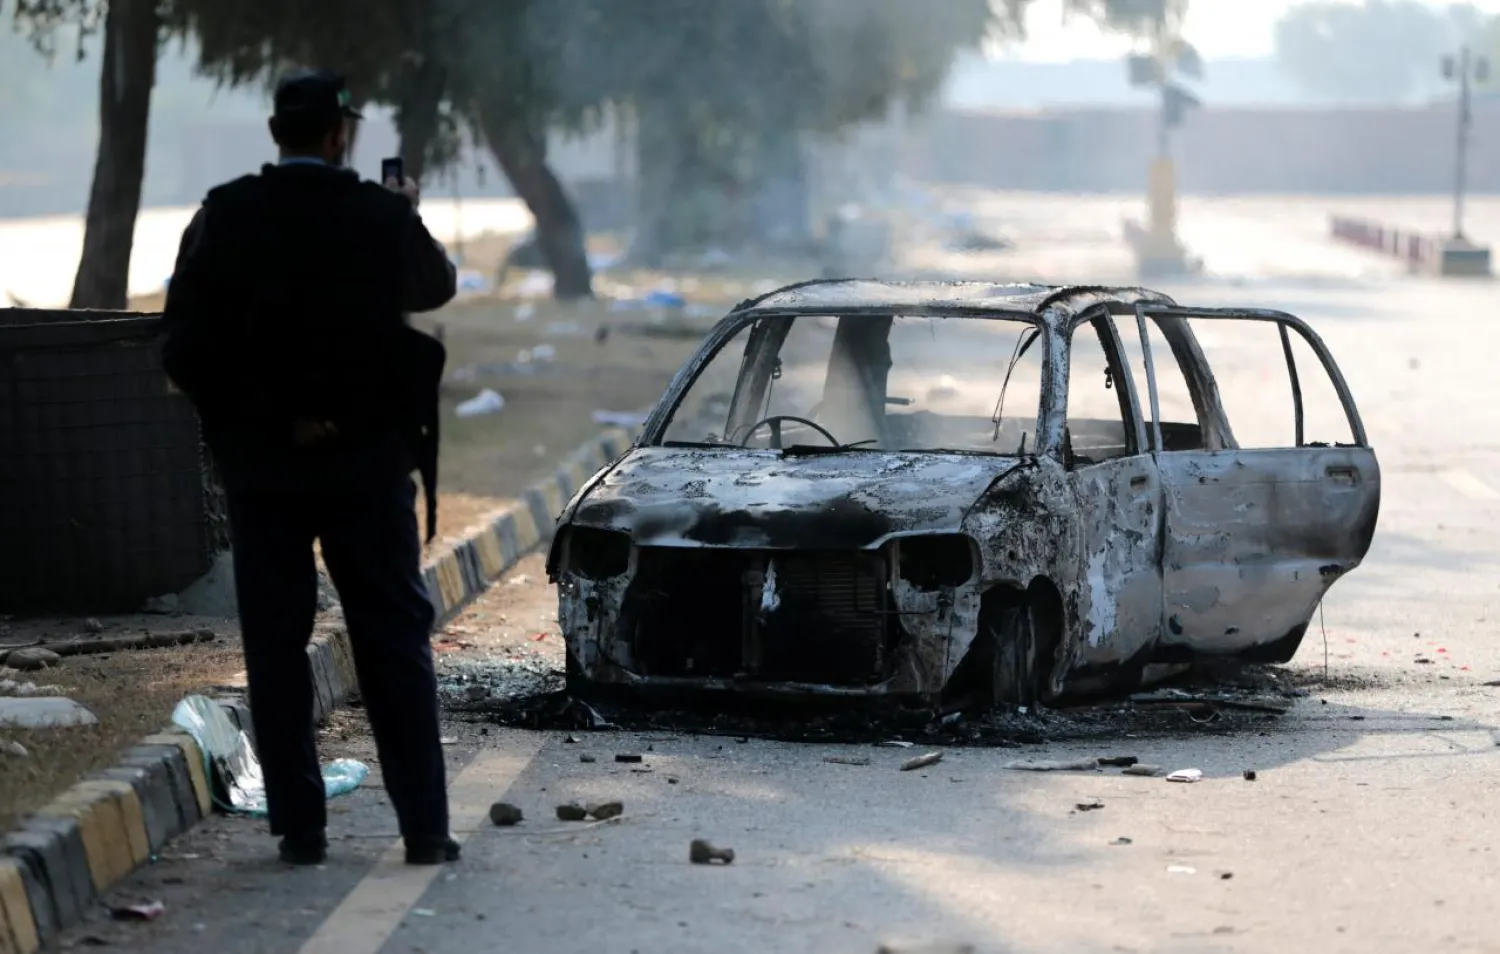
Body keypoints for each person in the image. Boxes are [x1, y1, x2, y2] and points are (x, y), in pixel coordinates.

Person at [160, 68, 459, 866]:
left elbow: (182, 341)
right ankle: (425, 828)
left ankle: (300, 827)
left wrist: (253, 427)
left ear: (274, 133)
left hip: (265, 472)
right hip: (367, 465)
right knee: (394, 637)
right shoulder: (374, 214)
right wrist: (408, 216)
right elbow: (436, 287)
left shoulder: (225, 216)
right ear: (339, 136)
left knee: (276, 643)